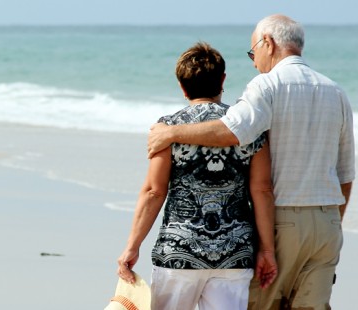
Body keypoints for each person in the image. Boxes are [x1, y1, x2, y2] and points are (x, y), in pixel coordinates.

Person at [146, 15, 355, 310]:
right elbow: (345, 174)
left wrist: (171, 132)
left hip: (283, 220)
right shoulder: (336, 91)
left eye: (252, 52)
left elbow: (232, 130)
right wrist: (334, 224)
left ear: (268, 43)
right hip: (328, 223)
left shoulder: (266, 85)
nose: (254, 61)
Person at [116, 42, 277, 310]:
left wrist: (132, 247)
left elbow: (154, 191)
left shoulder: (167, 129)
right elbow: (262, 191)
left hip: (179, 253)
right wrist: (267, 251)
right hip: (233, 254)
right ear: (223, 79)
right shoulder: (249, 129)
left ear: (182, 86)